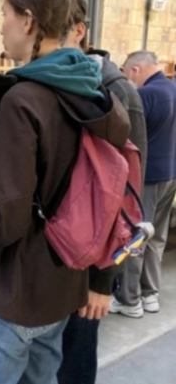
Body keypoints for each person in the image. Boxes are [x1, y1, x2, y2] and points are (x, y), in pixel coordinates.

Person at [0, 0, 130, 384]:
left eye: (5, 14)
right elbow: (54, 179)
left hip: (7, 293)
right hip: (60, 288)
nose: (1, 26)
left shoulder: (22, 98)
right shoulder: (92, 94)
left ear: (28, 21)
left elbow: (5, 221)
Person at [57, 0, 147, 384]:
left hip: (89, 261)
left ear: (79, 32)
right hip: (56, 252)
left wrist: (102, 280)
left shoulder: (117, 91)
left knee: (75, 360)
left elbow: (125, 199)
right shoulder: (60, 83)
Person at [111, 51, 176, 317]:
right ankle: (150, 294)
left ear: (136, 70)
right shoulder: (171, 88)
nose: (129, 80)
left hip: (148, 178)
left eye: (127, 74)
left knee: (136, 237)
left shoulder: (146, 95)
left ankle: (129, 300)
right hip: (170, 174)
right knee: (157, 238)